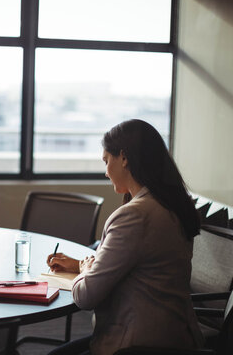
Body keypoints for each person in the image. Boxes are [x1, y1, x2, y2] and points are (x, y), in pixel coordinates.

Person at [47, 119, 204, 355]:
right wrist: (82, 264)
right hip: (176, 336)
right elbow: (132, 267)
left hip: (135, 344)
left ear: (124, 157)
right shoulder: (172, 205)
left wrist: (87, 270)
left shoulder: (134, 216)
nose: (106, 171)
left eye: (106, 161)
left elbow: (86, 297)